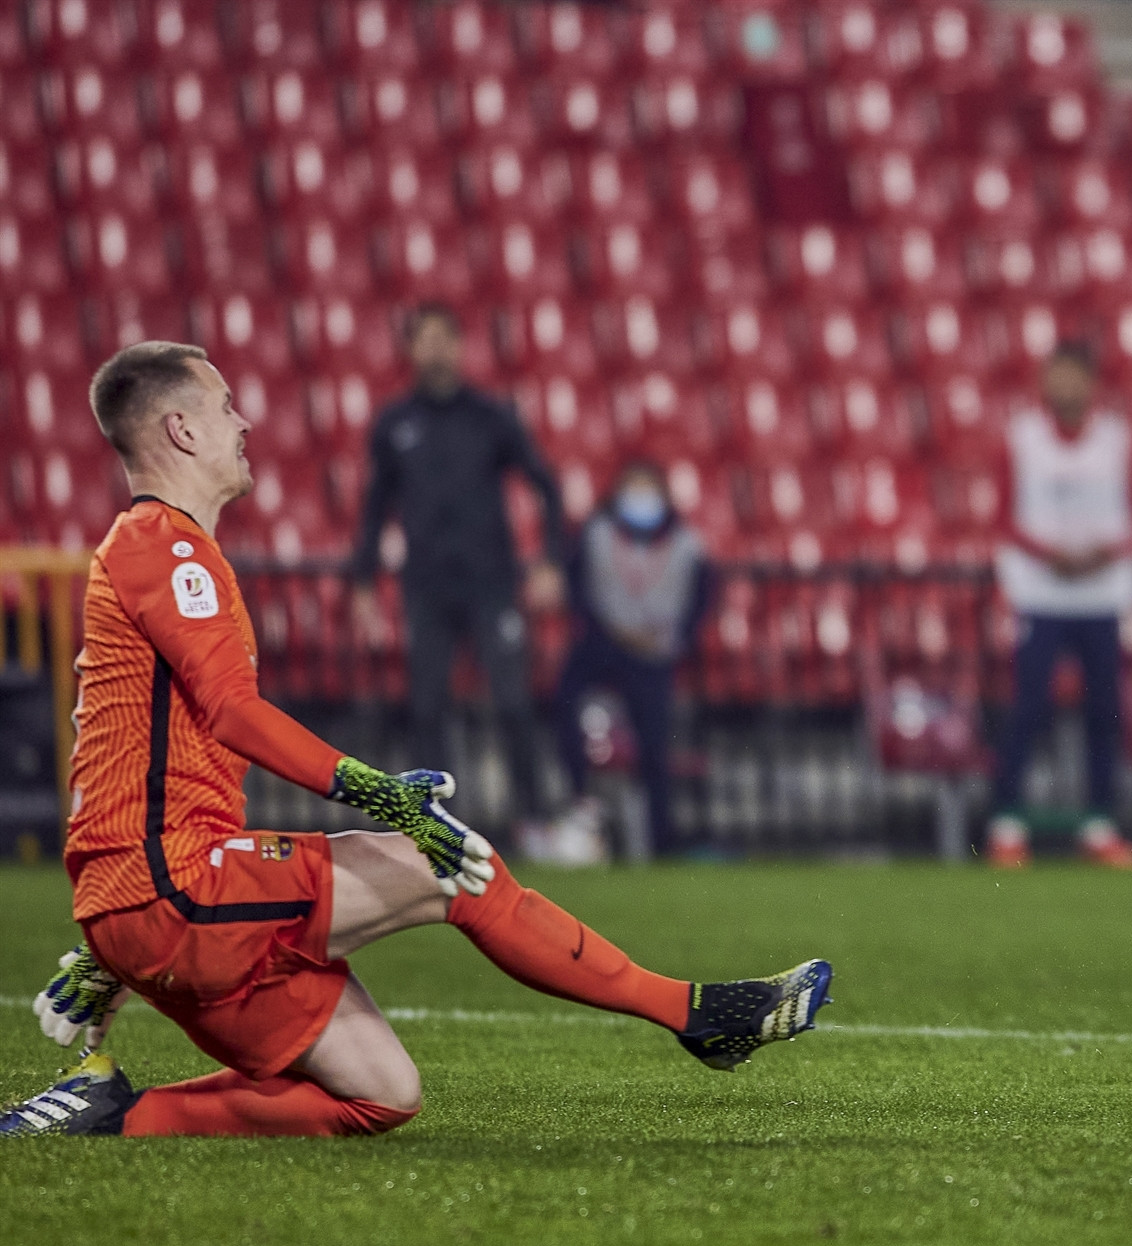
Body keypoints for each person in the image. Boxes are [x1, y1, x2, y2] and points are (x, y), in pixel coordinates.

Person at [1, 342, 831, 1138]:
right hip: (174, 887)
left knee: (382, 1095)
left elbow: (127, 752)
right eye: (224, 405)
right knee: (448, 863)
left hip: (157, 894)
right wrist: (377, 790)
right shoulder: (163, 545)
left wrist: (111, 944)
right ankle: (698, 1015)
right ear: (181, 429)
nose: (244, 421)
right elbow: (234, 713)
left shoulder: (164, 552)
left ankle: (113, 1114)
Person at [348, 304, 564, 849]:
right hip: (427, 587)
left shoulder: (492, 417)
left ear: (461, 346)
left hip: (492, 583)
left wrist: (550, 561)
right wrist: (364, 580)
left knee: (514, 702)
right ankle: (433, 828)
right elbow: (374, 508)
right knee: (427, 706)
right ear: (411, 349)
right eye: (426, 339)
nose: (437, 349)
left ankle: (535, 821)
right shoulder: (395, 424)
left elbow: (547, 486)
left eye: (446, 338)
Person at [985, 340, 1132, 870]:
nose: (1065, 387)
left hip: (1101, 595)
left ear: (1091, 382)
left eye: (1074, 377)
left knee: (1105, 710)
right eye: (1056, 376)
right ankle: (1007, 822)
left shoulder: (1118, 440)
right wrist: (1048, 555)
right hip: (1041, 593)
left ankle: (1100, 824)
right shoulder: (1022, 438)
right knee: (1029, 707)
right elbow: (1003, 516)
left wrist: (1105, 554)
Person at [546, 460, 712, 862]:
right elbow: (576, 585)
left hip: (655, 653)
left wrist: (676, 639)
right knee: (565, 701)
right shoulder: (596, 534)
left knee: (655, 745)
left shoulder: (688, 544)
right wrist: (606, 629)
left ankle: (661, 838)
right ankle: (578, 803)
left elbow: (704, 598)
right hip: (602, 643)